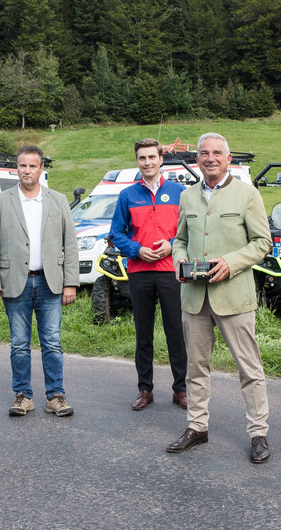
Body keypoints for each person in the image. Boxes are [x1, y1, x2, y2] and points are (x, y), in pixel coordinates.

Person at [166, 132, 273, 464]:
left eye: (216, 153)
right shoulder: (187, 196)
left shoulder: (247, 194)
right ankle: (197, 427)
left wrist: (230, 263)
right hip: (194, 298)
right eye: (203, 153)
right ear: (197, 160)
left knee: (249, 368)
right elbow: (180, 239)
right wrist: (178, 261)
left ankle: (258, 433)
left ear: (228, 159)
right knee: (196, 368)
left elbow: (262, 242)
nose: (209, 158)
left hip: (234, 297)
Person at [0, 145, 79, 418]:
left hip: (50, 283)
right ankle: (23, 395)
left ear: (41, 169)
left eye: (33, 166)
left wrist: (70, 282)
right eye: (22, 166)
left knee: (52, 342)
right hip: (16, 283)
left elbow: (70, 244)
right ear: (17, 168)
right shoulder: (1, 202)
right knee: (19, 344)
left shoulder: (57, 200)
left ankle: (55, 396)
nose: (27, 171)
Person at [109, 138, 188, 411]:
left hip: (170, 270)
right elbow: (116, 233)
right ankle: (145, 389)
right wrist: (137, 250)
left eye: (152, 157)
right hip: (140, 270)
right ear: (137, 161)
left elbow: (189, 229)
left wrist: (172, 243)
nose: (147, 162)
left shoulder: (180, 192)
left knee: (176, 331)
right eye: (142, 158)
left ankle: (181, 389)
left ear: (161, 159)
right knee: (143, 332)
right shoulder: (127, 195)